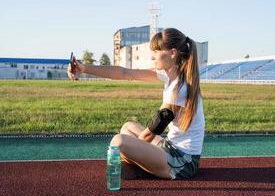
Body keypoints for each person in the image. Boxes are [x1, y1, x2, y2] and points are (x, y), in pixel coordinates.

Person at [67, 28, 205, 180]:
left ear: (172, 53)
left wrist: (132, 152)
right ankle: (139, 169)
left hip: (183, 162)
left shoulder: (178, 89)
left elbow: (150, 132)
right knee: (128, 128)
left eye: (157, 51)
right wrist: (84, 68)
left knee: (119, 141)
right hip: (171, 147)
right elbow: (125, 73)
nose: (153, 56)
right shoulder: (169, 76)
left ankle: (136, 169)